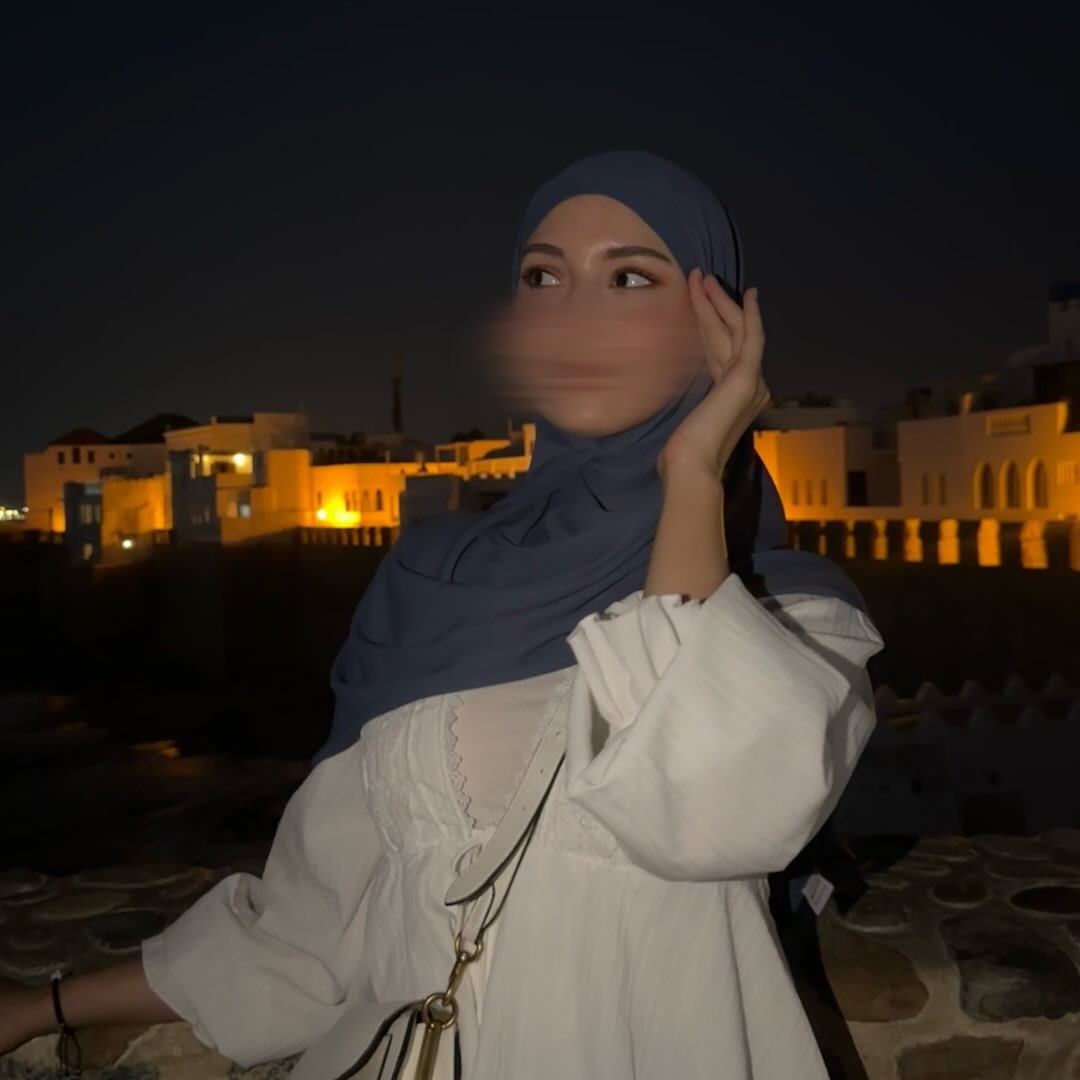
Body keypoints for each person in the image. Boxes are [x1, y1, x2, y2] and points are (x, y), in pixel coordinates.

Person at [0, 150, 882, 1079]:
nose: (573, 314)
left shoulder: (791, 620)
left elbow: (702, 814)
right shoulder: (431, 582)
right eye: (542, 277)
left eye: (630, 278)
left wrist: (693, 469)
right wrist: (38, 1007)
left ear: (718, 320)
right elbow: (316, 926)